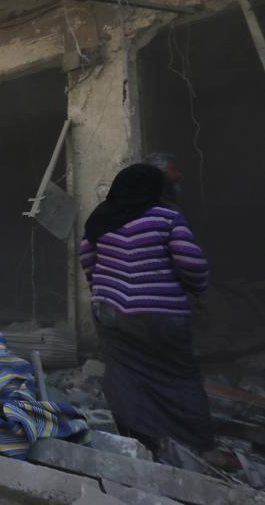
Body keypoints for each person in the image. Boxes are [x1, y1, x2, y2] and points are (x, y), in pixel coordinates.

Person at [79, 163, 231, 468]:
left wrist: (102, 287)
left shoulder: (101, 217)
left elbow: (87, 257)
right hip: (160, 314)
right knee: (179, 377)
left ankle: (140, 440)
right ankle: (202, 447)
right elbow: (190, 261)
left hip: (109, 313)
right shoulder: (166, 216)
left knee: (124, 376)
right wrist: (198, 289)